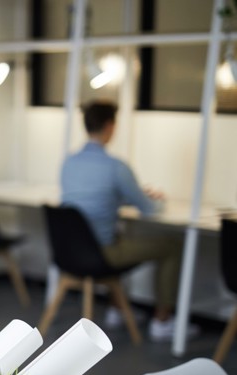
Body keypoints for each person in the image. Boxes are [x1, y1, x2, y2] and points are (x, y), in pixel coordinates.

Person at [60, 100, 195, 341]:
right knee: (172, 245)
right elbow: (149, 209)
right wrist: (155, 199)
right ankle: (162, 321)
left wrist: (123, 199)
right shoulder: (115, 167)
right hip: (101, 253)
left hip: (71, 251)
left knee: (119, 236)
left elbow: (93, 199)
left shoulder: (69, 162)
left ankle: (117, 309)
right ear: (110, 126)